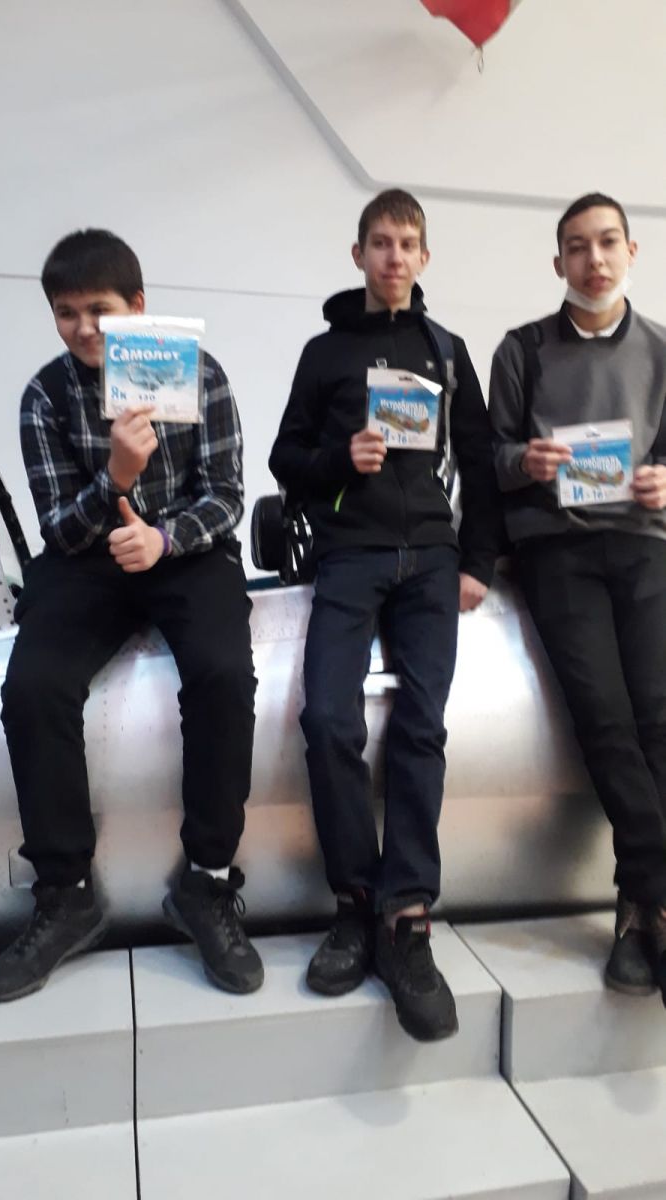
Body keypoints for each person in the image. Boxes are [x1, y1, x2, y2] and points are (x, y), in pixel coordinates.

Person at [0, 229, 263, 1001]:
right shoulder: (45, 396)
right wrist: (115, 477)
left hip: (186, 551)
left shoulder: (198, 375)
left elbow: (226, 497)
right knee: (32, 688)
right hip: (88, 557)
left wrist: (163, 537)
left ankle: (207, 880)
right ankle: (66, 892)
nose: (83, 328)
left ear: (137, 307)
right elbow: (58, 527)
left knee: (223, 676)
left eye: (99, 310)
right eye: (66, 312)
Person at [269, 189, 501, 1041]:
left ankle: (406, 914)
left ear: (423, 258)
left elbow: (478, 462)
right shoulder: (323, 353)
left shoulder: (446, 351)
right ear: (358, 254)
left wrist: (476, 562)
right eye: (380, 242)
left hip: (431, 562)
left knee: (421, 726)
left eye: (407, 243)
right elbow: (286, 459)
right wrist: (343, 456)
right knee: (327, 720)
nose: (393, 256)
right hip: (349, 556)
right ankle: (354, 899)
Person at [489, 192, 666, 1005]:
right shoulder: (521, 350)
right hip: (555, 548)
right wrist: (521, 463)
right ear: (556, 261)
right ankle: (653, 894)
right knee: (603, 718)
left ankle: (639, 908)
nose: (592, 259)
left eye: (605, 243)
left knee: (658, 717)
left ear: (630, 250)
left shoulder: (661, 351)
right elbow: (485, 455)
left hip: (644, 545)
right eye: (575, 246)